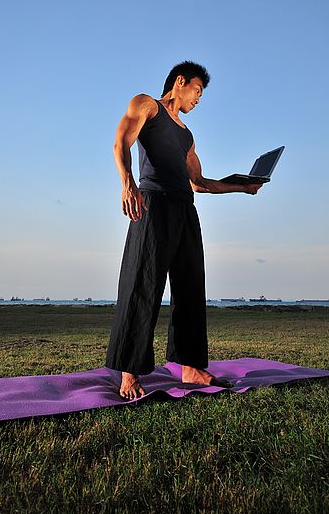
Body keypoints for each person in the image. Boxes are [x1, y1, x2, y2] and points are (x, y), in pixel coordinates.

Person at [105, 61, 263, 399]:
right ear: (181, 82)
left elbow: (200, 183)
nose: (199, 99)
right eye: (197, 91)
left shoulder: (187, 135)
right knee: (142, 284)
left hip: (184, 210)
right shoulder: (146, 105)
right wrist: (127, 184)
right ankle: (129, 373)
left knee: (191, 286)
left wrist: (242, 186)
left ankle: (191, 367)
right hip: (152, 204)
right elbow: (120, 142)